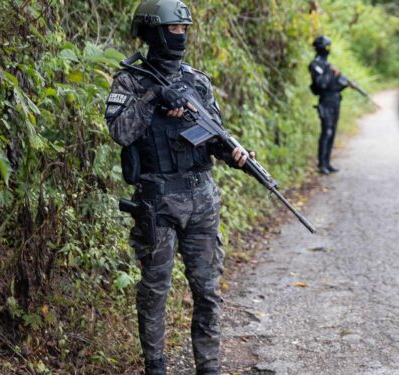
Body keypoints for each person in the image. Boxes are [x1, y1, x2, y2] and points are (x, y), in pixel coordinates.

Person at [104, 1, 255, 373]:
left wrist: (234, 153)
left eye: (185, 29)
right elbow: (120, 131)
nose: (181, 36)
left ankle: (209, 366)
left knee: (207, 290)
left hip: (202, 196)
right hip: (157, 200)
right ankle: (155, 366)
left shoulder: (197, 81)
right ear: (153, 32)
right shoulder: (130, 81)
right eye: (175, 29)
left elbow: (214, 135)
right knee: (155, 290)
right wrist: (155, 98)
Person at [309, 35, 350, 175]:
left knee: (333, 131)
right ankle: (322, 164)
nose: (327, 49)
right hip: (325, 101)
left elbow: (336, 84)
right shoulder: (315, 65)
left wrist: (343, 82)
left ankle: (327, 162)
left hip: (335, 100)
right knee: (326, 132)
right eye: (326, 46)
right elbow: (321, 84)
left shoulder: (327, 65)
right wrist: (330, 71)